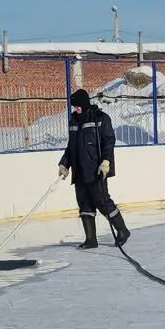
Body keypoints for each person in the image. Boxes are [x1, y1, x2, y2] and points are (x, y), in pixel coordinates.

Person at [58, 88, 130, 248]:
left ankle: (123, 230)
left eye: (77, 106)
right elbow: (72, 146)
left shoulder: (101, 119)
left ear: (84, 104)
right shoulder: (73, 122)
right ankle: (91, 239)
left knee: (102, 201)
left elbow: (109, 141)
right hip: (79, 170)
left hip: (96, 169)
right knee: (84, 204)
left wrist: (106, 161)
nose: (75, 109)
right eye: (73, 107)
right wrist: (64, 163)